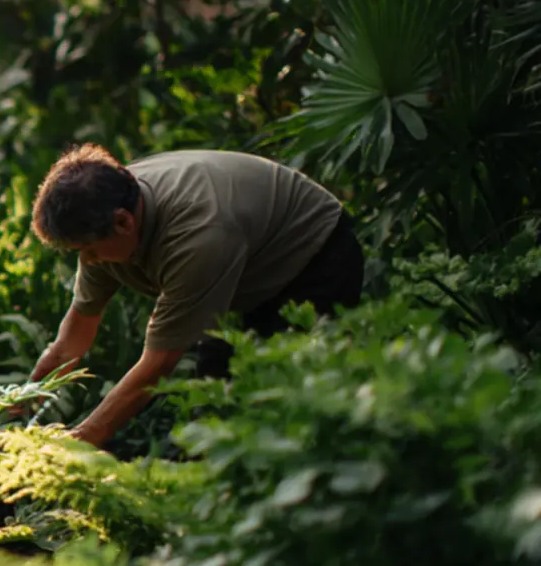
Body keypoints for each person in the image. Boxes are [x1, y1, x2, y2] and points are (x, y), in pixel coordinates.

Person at [24, 144, 364, 449]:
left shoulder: (197, 237)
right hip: (241, 278)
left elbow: (158, 365)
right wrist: (28, 395)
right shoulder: (103, 218)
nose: (87, 261)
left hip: (314, 257)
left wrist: (79, 440)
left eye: (88, 250)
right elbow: (77, 330)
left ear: (123, 223)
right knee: (215, 409)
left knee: (295, 404)